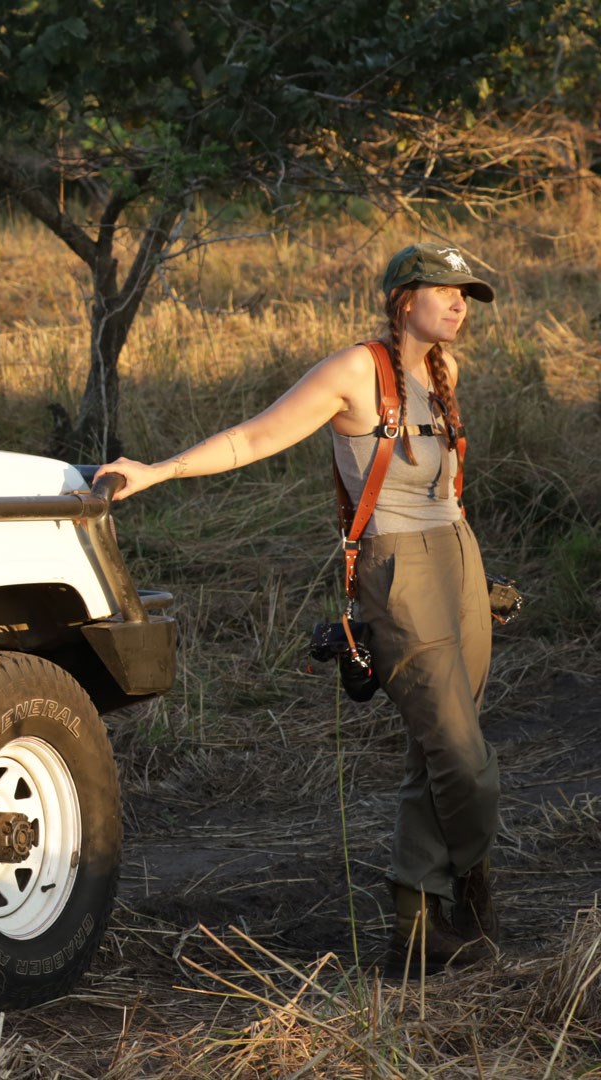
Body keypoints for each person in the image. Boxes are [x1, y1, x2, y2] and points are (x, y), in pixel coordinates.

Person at [94, 242, 499, 967]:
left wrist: (472, 575)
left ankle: (417, 923)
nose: (461, 303)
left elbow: (446, 488)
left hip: (460, 560)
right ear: (405, 297)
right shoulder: (354, 370)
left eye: (467, 293)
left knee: (437, 749)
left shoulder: (445, 372)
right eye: (447, 289)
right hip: (396, 569)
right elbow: (255, 435)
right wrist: (157, 471)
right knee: (462, 761)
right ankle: (466, 881)